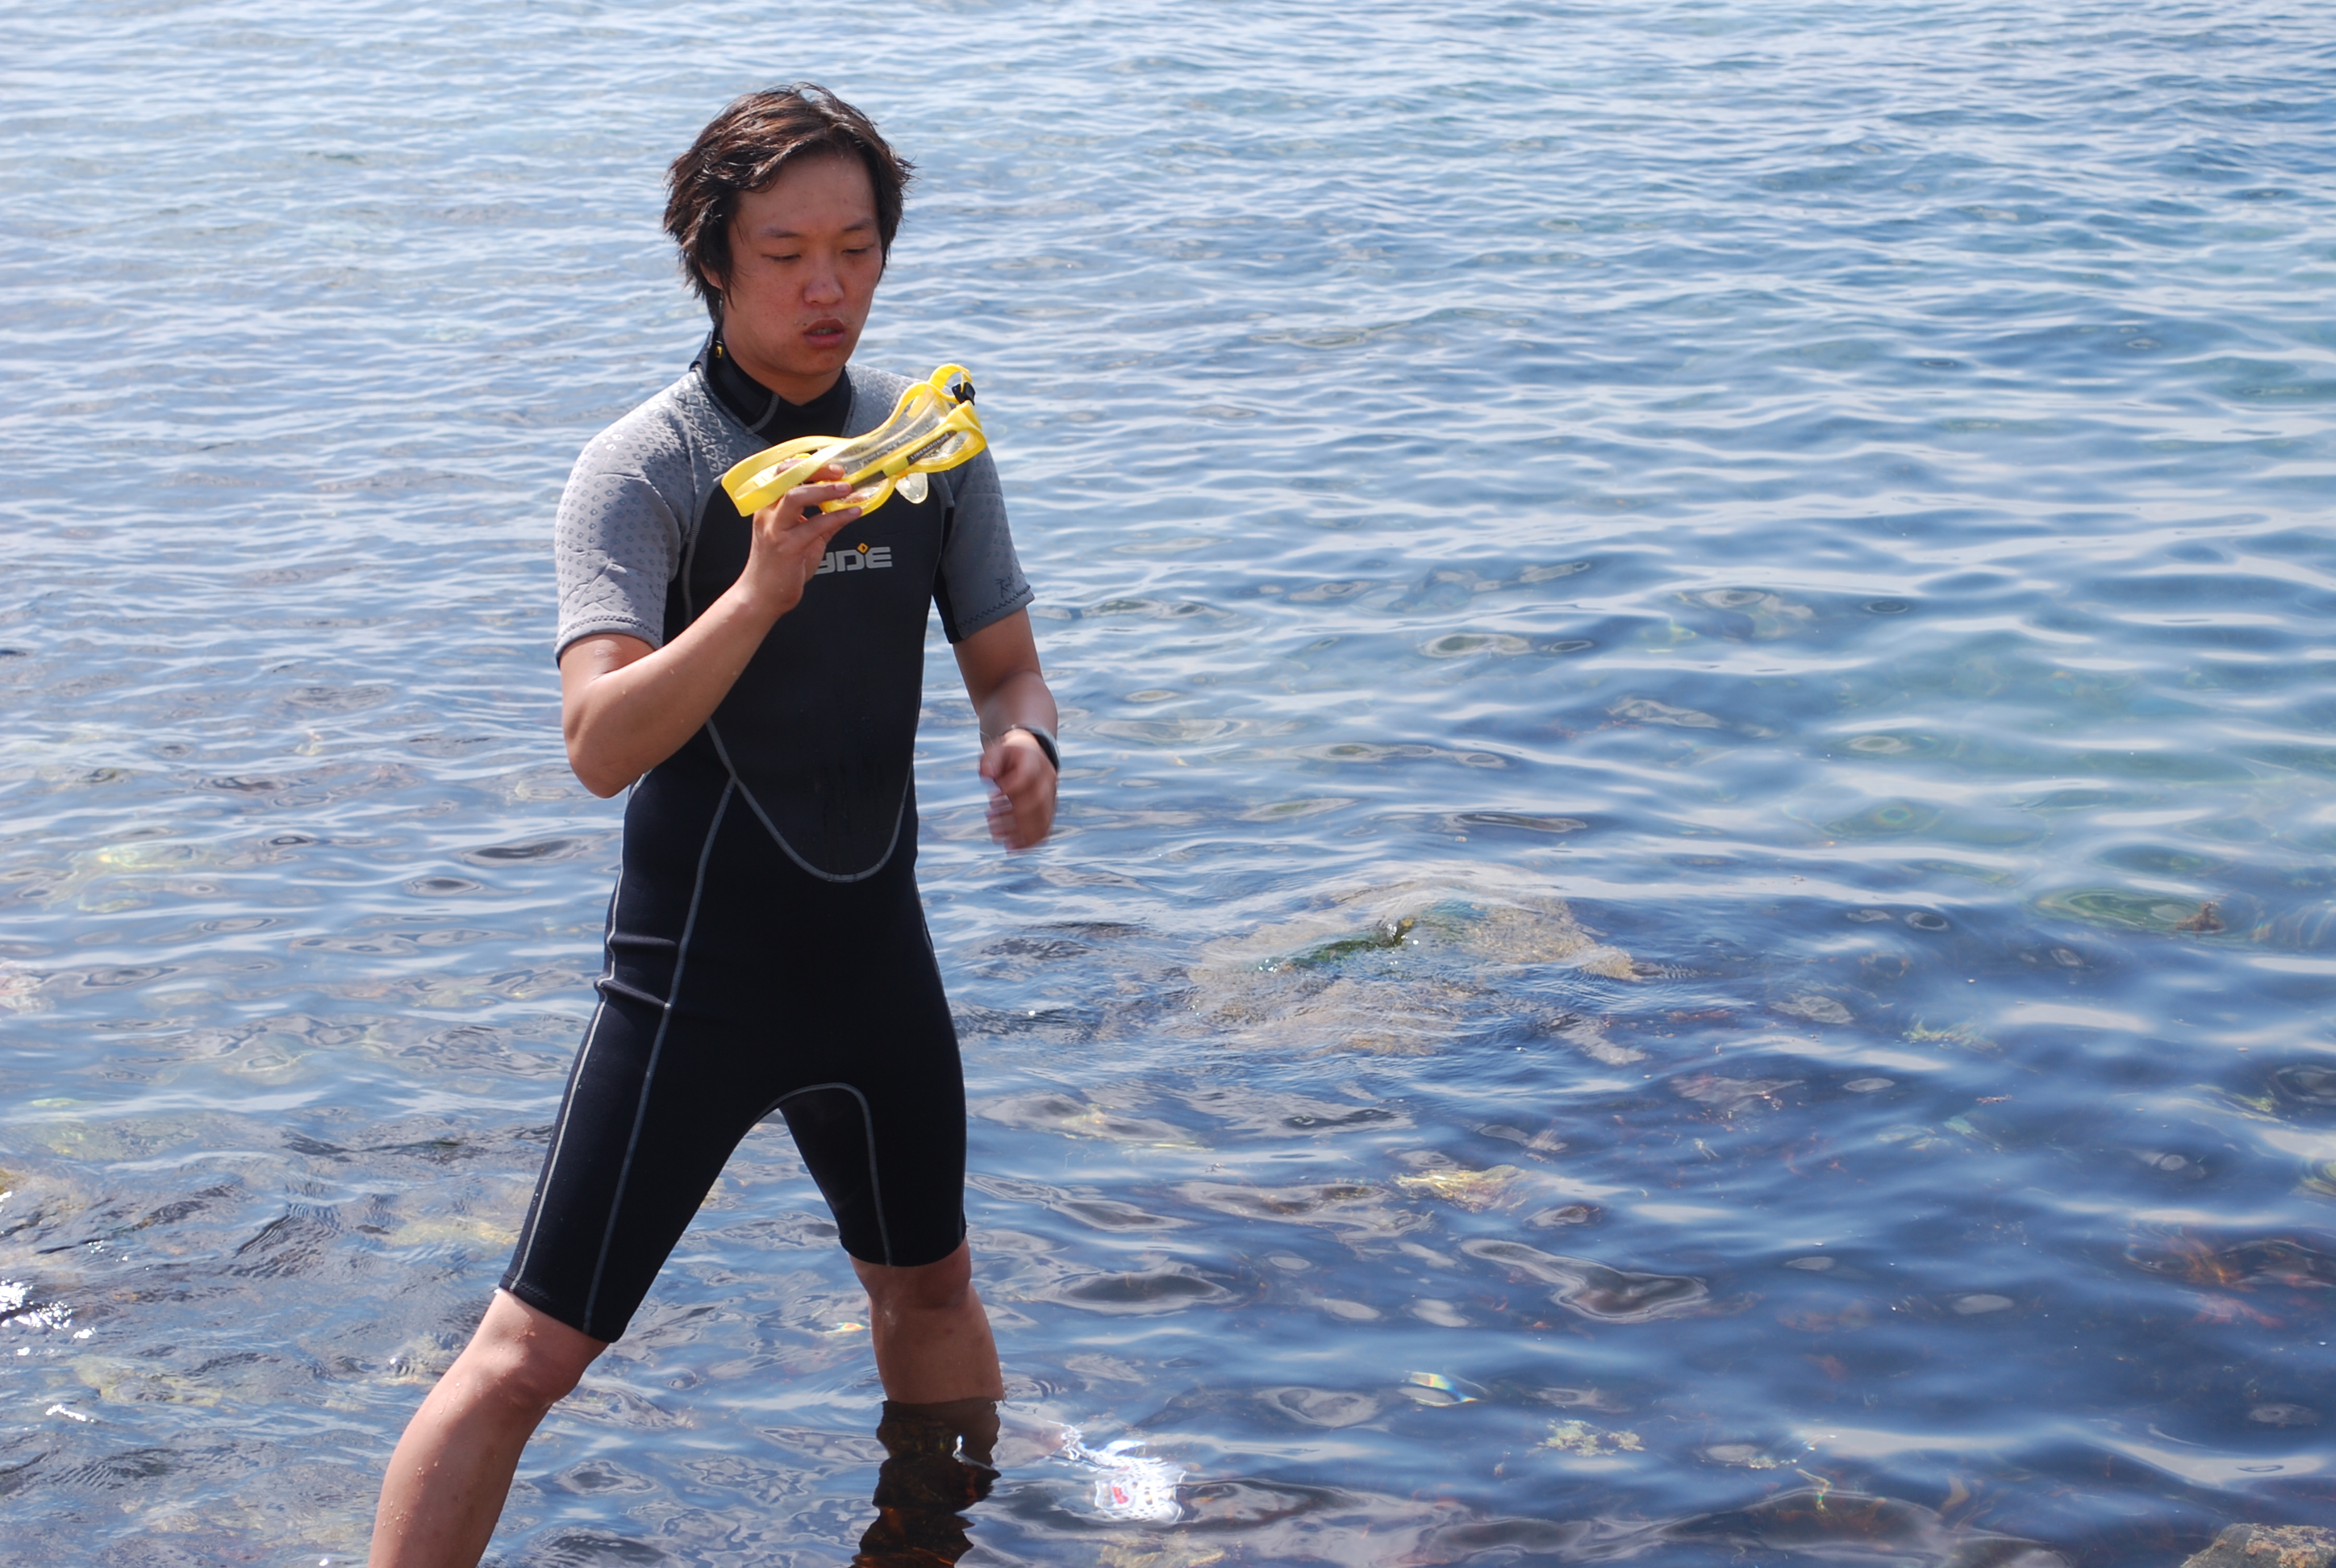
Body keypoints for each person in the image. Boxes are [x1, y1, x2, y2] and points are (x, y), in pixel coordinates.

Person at [367, 84, 1057, 1567]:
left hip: (877, 969)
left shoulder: (928, 446)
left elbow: (1006, 663)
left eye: (857, 251)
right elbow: (598, 747)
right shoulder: (648, 468)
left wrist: (1026, 742)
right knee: (529, 1358)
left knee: (931, 1293)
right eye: (786, 255)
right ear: (712, 260)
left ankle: (926, 1549)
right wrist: (757, 592)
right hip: (696, 988)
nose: (828, 289)